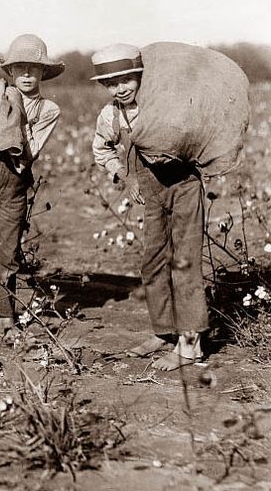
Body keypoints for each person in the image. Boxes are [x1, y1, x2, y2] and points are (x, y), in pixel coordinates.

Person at [90, 43, 206, 371]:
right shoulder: (111, 115)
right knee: (153, 262)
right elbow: (102, 149)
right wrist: (125, 176)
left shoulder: (164, 103)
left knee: (184, 261)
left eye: (127, 80)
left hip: (184, 187)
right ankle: (164, 332)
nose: (121, 88)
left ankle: (191, 346)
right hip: (151, 194)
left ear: (141, 77)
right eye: (112, 83)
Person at [0, 34, 64, 349]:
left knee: (7, 252)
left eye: (34, 68)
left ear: (43, 72)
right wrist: (12, 125)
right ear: (10, 71)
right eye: (20, 68)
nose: (27, 74)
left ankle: (7, 319)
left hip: (15, 183)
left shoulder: (48, 109)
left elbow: (30, 150)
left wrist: (12, 124)